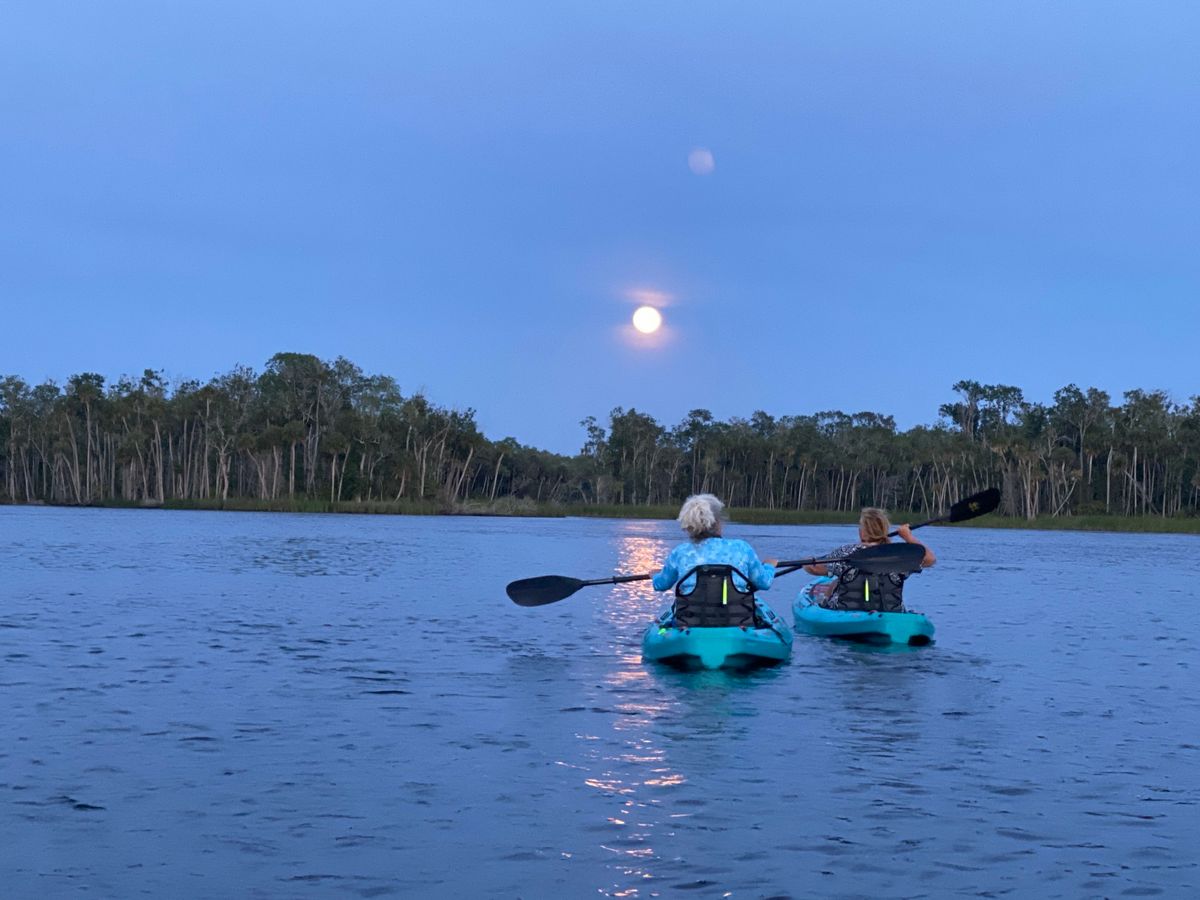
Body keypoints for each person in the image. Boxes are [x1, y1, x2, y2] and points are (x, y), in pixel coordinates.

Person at [652, 494, 777, 627]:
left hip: (691, 624)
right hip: (736, 623)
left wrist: (654, 576)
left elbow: (661, 585)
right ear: (717, 523)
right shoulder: (742, 548)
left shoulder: (680, 552)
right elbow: (764, 583)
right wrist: (769, 566)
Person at [803, 507, 936, 611]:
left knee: (838, 581)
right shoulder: (899, 555)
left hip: (846, 613)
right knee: (837, 581)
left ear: (862, 532)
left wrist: (807, 560)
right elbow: (930, 560)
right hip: (889, 614)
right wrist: (908, 537)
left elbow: (814, 568)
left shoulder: (847, 552)